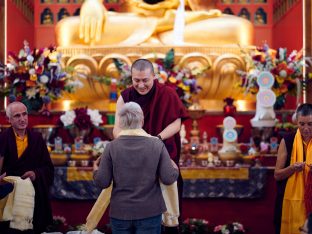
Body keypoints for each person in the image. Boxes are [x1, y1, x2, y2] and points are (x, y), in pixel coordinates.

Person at [113, 59, 188, 233]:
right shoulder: (125, 96)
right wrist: (132, 143)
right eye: (136, 80)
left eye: (145, 80)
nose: (140, 85)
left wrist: (155, 140)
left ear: (154, 77)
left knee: (168, 216)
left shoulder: (168, 94)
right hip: (134, 164)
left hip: (163, 158)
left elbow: (176, 124)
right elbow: (117, 129)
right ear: (131, 78)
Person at [93, 102, 179, 234]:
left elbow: (102, 182)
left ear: (120, 123)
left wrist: (95, 169)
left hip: (120, 212)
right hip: (150, 212)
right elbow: (168, 178)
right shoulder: (157, 144)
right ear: (142, 120)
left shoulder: (112, 146)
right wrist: (175, 168)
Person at [55, 0, 253, 46]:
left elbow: (200, 5)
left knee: (241, 29)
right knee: (68, 29)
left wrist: (173, 20)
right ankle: (159, 34)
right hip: (132, 21)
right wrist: (92, 2)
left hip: (183, 21)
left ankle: (156, 35)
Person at [0, 102, 54, 234]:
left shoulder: (37, 139)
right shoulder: (2, 139)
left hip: (32, 198)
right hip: (8, 198)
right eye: (17, 116)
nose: (22, 119)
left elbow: (48, 168)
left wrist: (36, 174)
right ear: (9, 120)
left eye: (24, 114)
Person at [274, 103, 312, 234]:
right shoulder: (287, 140)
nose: (306, 128)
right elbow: (277, 175)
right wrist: (292, 168)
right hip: (289, 200)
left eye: (310, 124)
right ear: (296, 122)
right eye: (302, 124)